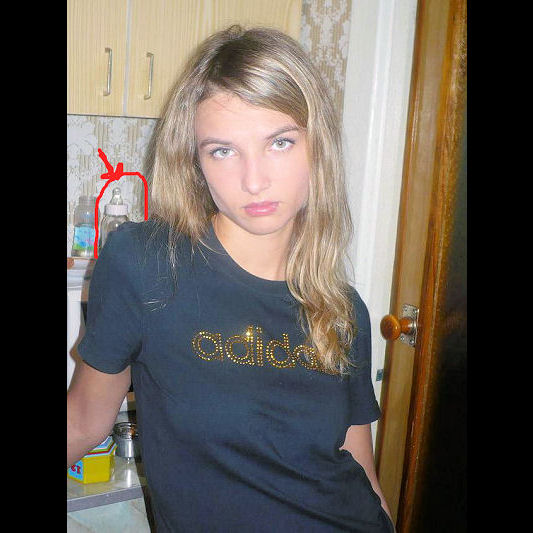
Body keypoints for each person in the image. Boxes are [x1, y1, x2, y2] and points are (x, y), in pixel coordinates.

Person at [67, 25, 395, 532]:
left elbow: (360, 470)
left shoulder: (342, 307)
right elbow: (82, 423)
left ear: (319, 148)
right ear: (195, 161)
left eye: (280, 142)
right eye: (222, 150)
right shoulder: (146, 264)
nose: (254, 180)